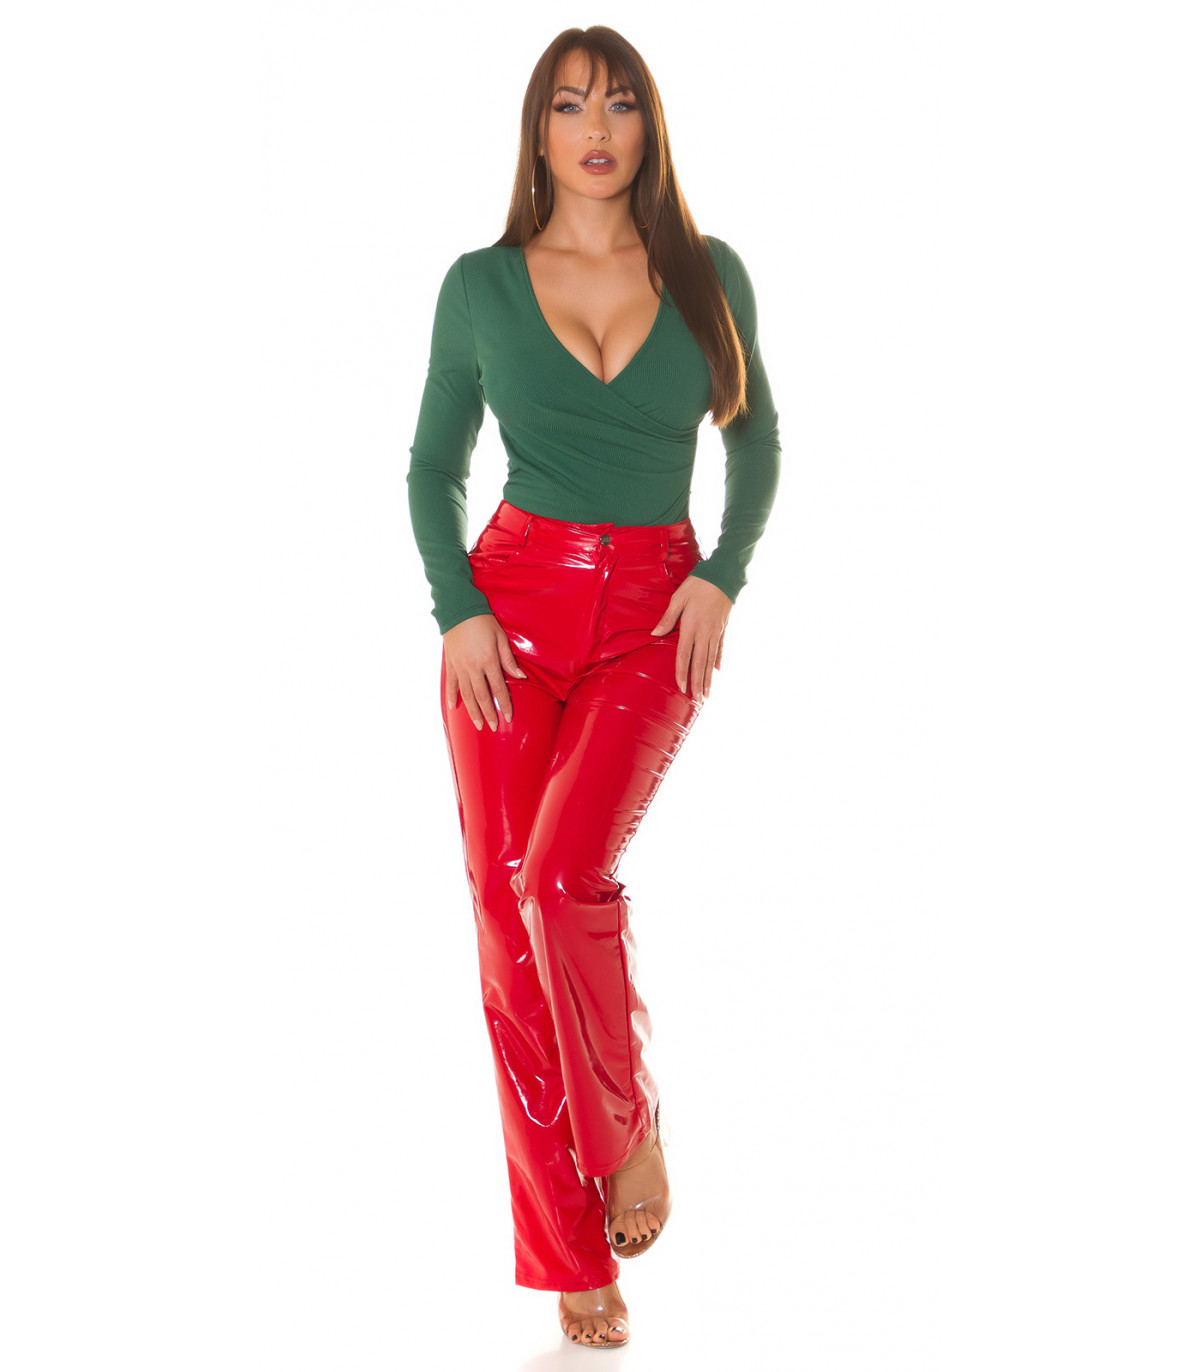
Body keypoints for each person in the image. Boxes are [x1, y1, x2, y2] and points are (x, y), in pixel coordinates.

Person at [406, 25, 782, 1349]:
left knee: (565, 877)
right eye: (569, 105)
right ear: (540, 132)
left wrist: (722, 577)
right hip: (507, 616)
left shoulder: (707, 273)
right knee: (508, 929)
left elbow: (759, 440)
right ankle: (573, 1258)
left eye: (619, 102)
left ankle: (626, 1132)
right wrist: (457, 611)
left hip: (653, 620)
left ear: (647, 125)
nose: (596, 126)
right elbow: (431, 466)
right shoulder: (481, 285)